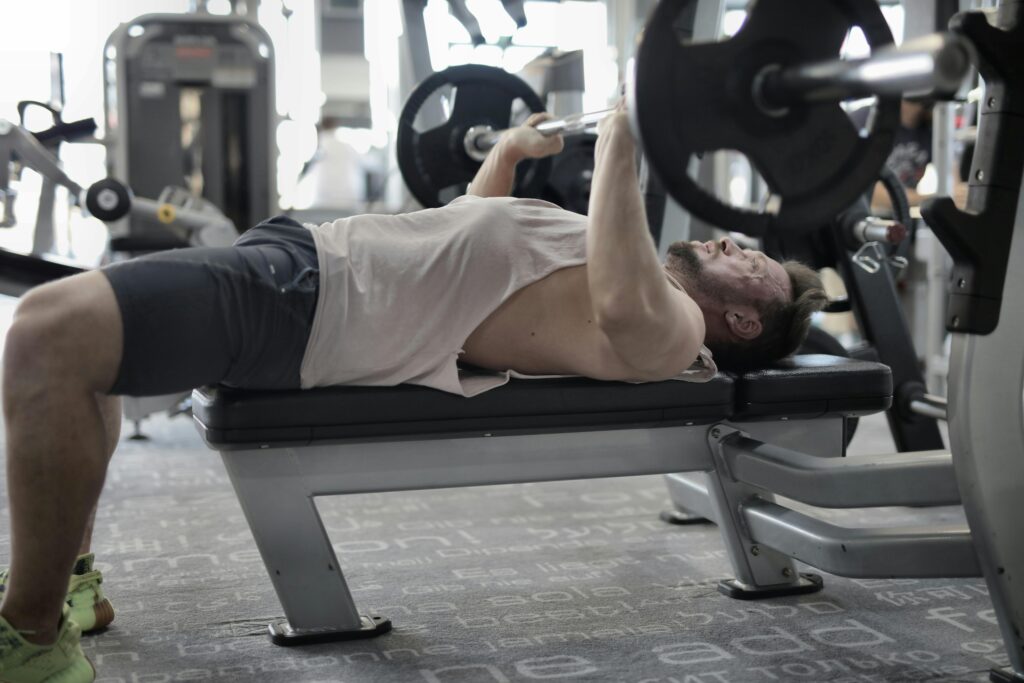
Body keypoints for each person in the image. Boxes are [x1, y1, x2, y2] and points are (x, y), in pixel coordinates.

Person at [0, 106, 826, 681]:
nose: (728, 240)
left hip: (308, 306)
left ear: (743, 323)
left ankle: (33, 632)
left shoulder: (675, 327)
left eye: (747, 262)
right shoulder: (624, 262)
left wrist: (622, 141)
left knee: (46, 334)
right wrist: (507, 155)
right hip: (305, 270)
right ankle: (67, 582)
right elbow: (469, 243)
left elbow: (618, 298)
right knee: (88, 347)